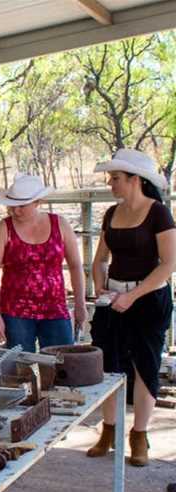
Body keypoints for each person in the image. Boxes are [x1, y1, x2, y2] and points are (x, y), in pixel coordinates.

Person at [86, 148, 175, 467]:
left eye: (116, 178)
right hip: (113, 300)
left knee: (144, 365)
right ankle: (108, 431)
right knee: (109, 365)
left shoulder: (158, 213)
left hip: (149, 300)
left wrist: (133, 295)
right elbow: (100, 260)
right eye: (111, 178)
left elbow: (169, 264)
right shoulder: (111, 213)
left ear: (135, 180)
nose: (111, 184)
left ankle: (139, 436)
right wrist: (100, 285)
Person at [0, 173, 86, 353]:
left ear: (38, 202)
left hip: (55, 307)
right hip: (15, 311)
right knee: (21, 367)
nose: (16, 211)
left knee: (62, 363)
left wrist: (80, 304)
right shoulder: (3, 229)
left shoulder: (60, 224)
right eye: (12, 205)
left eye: (22, 205)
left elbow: (76, 266)